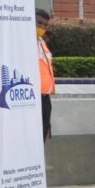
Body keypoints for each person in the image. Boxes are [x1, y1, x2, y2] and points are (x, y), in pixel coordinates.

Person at [36, 9, 55, 142]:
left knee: (42, 140)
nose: (42, 27)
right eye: (39, 23)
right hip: (30, 99)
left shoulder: (42, 42)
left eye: (45, 25)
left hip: (44, 99)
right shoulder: (21, 44)